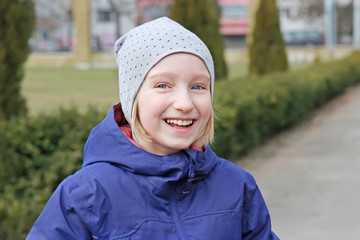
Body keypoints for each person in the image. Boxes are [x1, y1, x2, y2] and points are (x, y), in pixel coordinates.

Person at [26, 17, 279, 240]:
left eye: (198, 87)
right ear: (132, 98)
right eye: (163, 85)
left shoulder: (238, 186)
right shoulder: (86, 194)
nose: (184, 103)